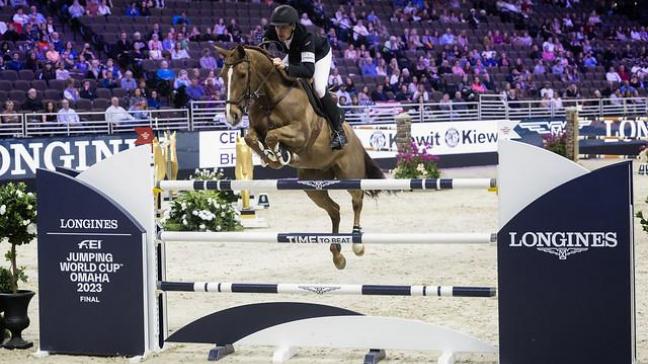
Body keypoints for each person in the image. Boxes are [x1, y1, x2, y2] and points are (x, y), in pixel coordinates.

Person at [263, 4, 346, 149]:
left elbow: (308, 70)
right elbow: (262, 42)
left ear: (292, 27)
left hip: (319, 55)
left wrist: (286, 67)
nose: (279, 31)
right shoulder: (274, 30)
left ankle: (338, 132)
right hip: (295, 54)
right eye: (277, 27)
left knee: (319, 89)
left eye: (283, 28)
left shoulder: (305, 37)